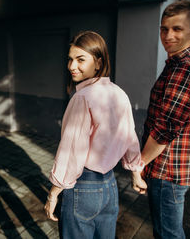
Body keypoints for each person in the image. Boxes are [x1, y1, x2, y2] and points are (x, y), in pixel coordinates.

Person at [44, 31, 147, 238]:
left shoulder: (82, 97)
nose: (72, 66)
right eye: (70, 59)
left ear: (98, 63)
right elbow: (130, 136)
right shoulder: (119, 92)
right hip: (110, 187)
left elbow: (71, 151)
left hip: (83, 187)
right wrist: (135, 173)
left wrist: (53, 194)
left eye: (81, 60)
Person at [135, 1, 190, 239]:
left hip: (168, 170)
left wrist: (138, 165)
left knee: (168, 235)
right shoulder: (179, 64)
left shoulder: (186, 68)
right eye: (164, 29)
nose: (168, 35)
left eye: (177, 29)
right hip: (171, 169)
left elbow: (165, 129)